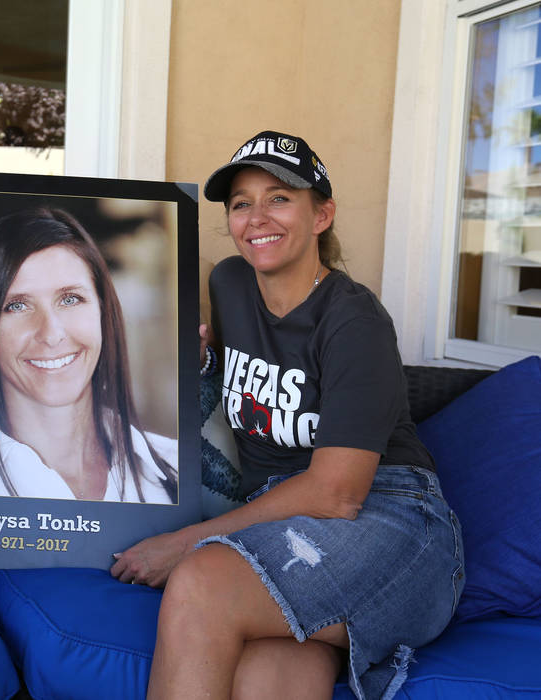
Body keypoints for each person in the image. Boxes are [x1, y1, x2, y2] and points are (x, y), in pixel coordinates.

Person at [110, 131, 464, 699]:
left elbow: (336, 494)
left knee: (204, 580)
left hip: (390, 518)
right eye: (241, 202)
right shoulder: (228, 282)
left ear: (321, 215)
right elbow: (243, 371)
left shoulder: (356, 323)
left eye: (279, 197)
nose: (257, 217)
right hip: (281, 523)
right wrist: (205, 362)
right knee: (268, 673)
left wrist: (188, 542)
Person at [0, 207, 178, 503]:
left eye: (70, 299)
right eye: (17, 306)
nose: (51, 333)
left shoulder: (179, 468)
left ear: (103, 313)